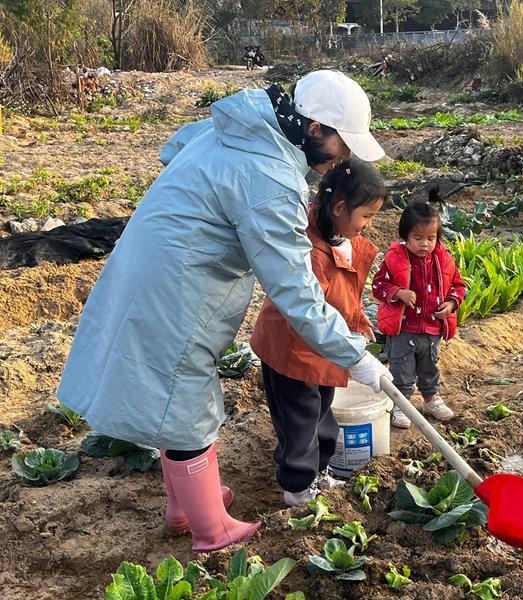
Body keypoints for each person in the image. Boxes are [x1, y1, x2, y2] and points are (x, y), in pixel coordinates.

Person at [55, 70, 392, 553]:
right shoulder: (269, 176)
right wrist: (354, 354)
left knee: (175, 396)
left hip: (152, 260)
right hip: (179, 284)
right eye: (342, 142)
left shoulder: (243, 128)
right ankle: (211, 530)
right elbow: (294, 291)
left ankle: (186, 505)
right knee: (187, 399)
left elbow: (173, 150)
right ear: (314, 128)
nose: (343, 157)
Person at [250, 158, 384, 507]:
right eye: (366, 216)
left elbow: (344, 299)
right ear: (340, 207)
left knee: (323, 411)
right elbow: (310, 311)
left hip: (323, 350)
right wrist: (350, 350)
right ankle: (297, 485)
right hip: (291, 350)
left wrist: (360, 323)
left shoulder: (338, 238)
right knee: (300, 420)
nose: (368, 226)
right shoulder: (306, 250)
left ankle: (319, 471)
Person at [372, 188, 466, 429]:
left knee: (429, 365)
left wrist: (452, 303)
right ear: (405, 236)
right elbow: (378, 285)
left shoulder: (443, 259)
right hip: (404, 328)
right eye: (418, 238)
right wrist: (398, 293)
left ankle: (431, 398)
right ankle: (401, 405)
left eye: (431, 238)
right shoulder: (395, 258)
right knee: (401, 368)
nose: (425, 244)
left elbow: (458, 285)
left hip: (431, 327)